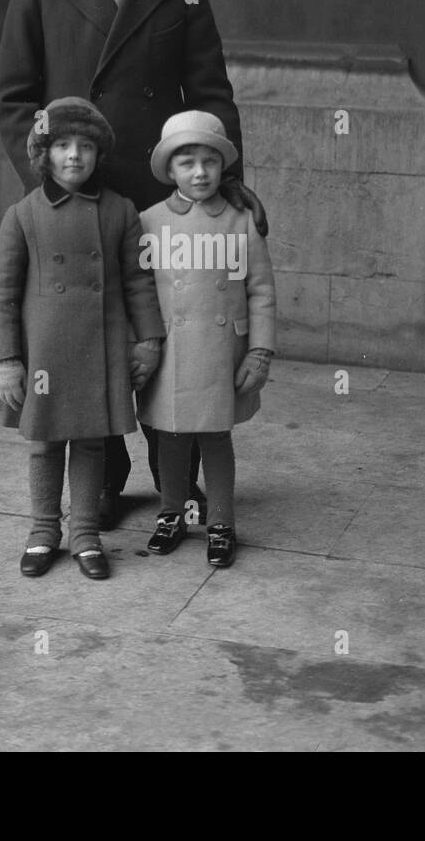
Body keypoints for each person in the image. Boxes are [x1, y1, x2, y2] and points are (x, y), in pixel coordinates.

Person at [0, 0, 268, 529]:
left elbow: (211, 91)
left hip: (156, 198)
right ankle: (105, 478)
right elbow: (14, 100)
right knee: (86, 334)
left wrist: (221, 168)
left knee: (162, 335)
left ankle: (176, 476)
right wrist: (50, 178)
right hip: (75, 194)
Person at [0, 97, 166, 580]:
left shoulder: (119, 212)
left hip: (99, 347)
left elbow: (137, 282)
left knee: (90, 443)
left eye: (85, 146)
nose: (73, 156)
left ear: (98, 155)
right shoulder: (22, 216)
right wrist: (7, 359)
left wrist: (148, 340)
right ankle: (43, 530)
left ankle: (86, 534)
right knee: (45, 443)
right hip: (44, 353)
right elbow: (2, 295)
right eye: (62, 145)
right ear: (43, 155)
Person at [136, 111, 275, 568]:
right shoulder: (149, 222)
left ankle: (221, 522)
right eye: (187, 162)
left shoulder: (240, 221)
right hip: (172, 350)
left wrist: (259, 350)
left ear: (223, 167)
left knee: (216, 438)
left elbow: (260, 290)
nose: (199, 172)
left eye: (210, 161)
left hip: (222, 352)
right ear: (170, 170)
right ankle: (172, 513)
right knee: (170, 437)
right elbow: (138, 292)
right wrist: (141, 344)